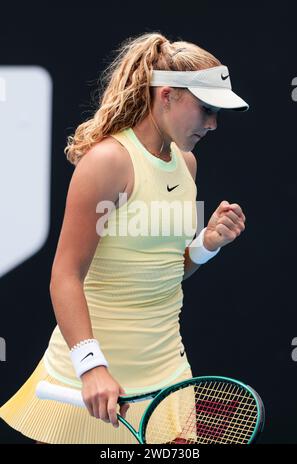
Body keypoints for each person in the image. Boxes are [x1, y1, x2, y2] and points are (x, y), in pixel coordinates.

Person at [0, 32, 247, 444]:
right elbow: (65, 275)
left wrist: (205, 246)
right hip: (91, 382)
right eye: (205, 109)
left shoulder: (187, 164)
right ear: (166, 96)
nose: (213, 124)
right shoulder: (107, 163)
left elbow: (162, 271)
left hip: (167, 378)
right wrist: (91, 366)